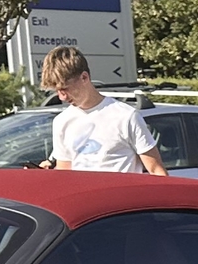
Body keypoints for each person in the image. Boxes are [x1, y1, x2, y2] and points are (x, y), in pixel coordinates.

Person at [40, 46, 166, 174]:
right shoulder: (61, 121)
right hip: (84, 194)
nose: (62, 97)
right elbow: (65, 175)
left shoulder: (126, 116)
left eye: (65, 89)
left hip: (121, 193)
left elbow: (156, 171)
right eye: (57, 91)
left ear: (84, 77)